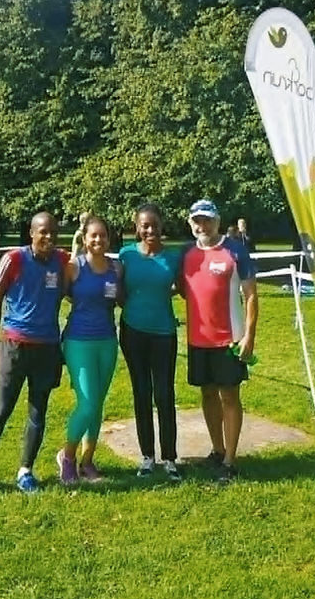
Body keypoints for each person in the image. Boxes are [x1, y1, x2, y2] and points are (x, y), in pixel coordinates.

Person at [0, 212, 69, 502]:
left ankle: (25, 471)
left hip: (47, 348)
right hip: (15, 346)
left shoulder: (61, 260)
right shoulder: (15, 259)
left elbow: (81, 273)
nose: (49, 237)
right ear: (31, 233)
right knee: (1, 411)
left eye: (53, 233)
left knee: (38, 412)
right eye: (43, 232)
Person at [180, 199, 257, 484]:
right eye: (197, 220)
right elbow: (183, 289)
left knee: (230, 396)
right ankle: (217, 449)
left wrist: (249, 335)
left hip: (229, 340)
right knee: (207, 394)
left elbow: (251, 295)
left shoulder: (235, 250)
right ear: (190, 223)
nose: (202, 226)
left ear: (217, 221)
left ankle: (230, 461)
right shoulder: (186, 254)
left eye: (207, 220)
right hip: (198, 340)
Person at [118, 203, 183, 481]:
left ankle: (169, 458)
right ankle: (147, 457)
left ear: (161, 226)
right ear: (137, 228)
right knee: (141, 394)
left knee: (165, 395)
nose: (150, 230)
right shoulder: (126, 255)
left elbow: (181, 288)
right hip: (133, 332)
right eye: (145, 225)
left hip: (164, 334)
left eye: (154, 225)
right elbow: (119, 292)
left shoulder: (173, 257)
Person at [55, 216, 122, 484]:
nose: (98, 240)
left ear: (108, 239)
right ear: (84, 239)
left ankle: (88, 460)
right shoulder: (74, 267)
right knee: (88, 402)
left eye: (103, 235)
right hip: (78, 341)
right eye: (93, 235)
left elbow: (121, 298)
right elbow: (60, 295)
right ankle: (67, 457)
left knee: (98, 404)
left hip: (107, 341)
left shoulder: (116, 269)